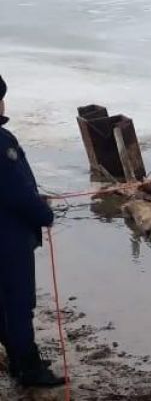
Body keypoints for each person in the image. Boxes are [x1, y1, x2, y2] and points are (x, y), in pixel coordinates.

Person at [0, 75, 65, 387]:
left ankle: (17, 359)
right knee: (18, 301)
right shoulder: (1, 142)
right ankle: (28, 368)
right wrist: (44, 214)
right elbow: (15, 192)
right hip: (7, 237)